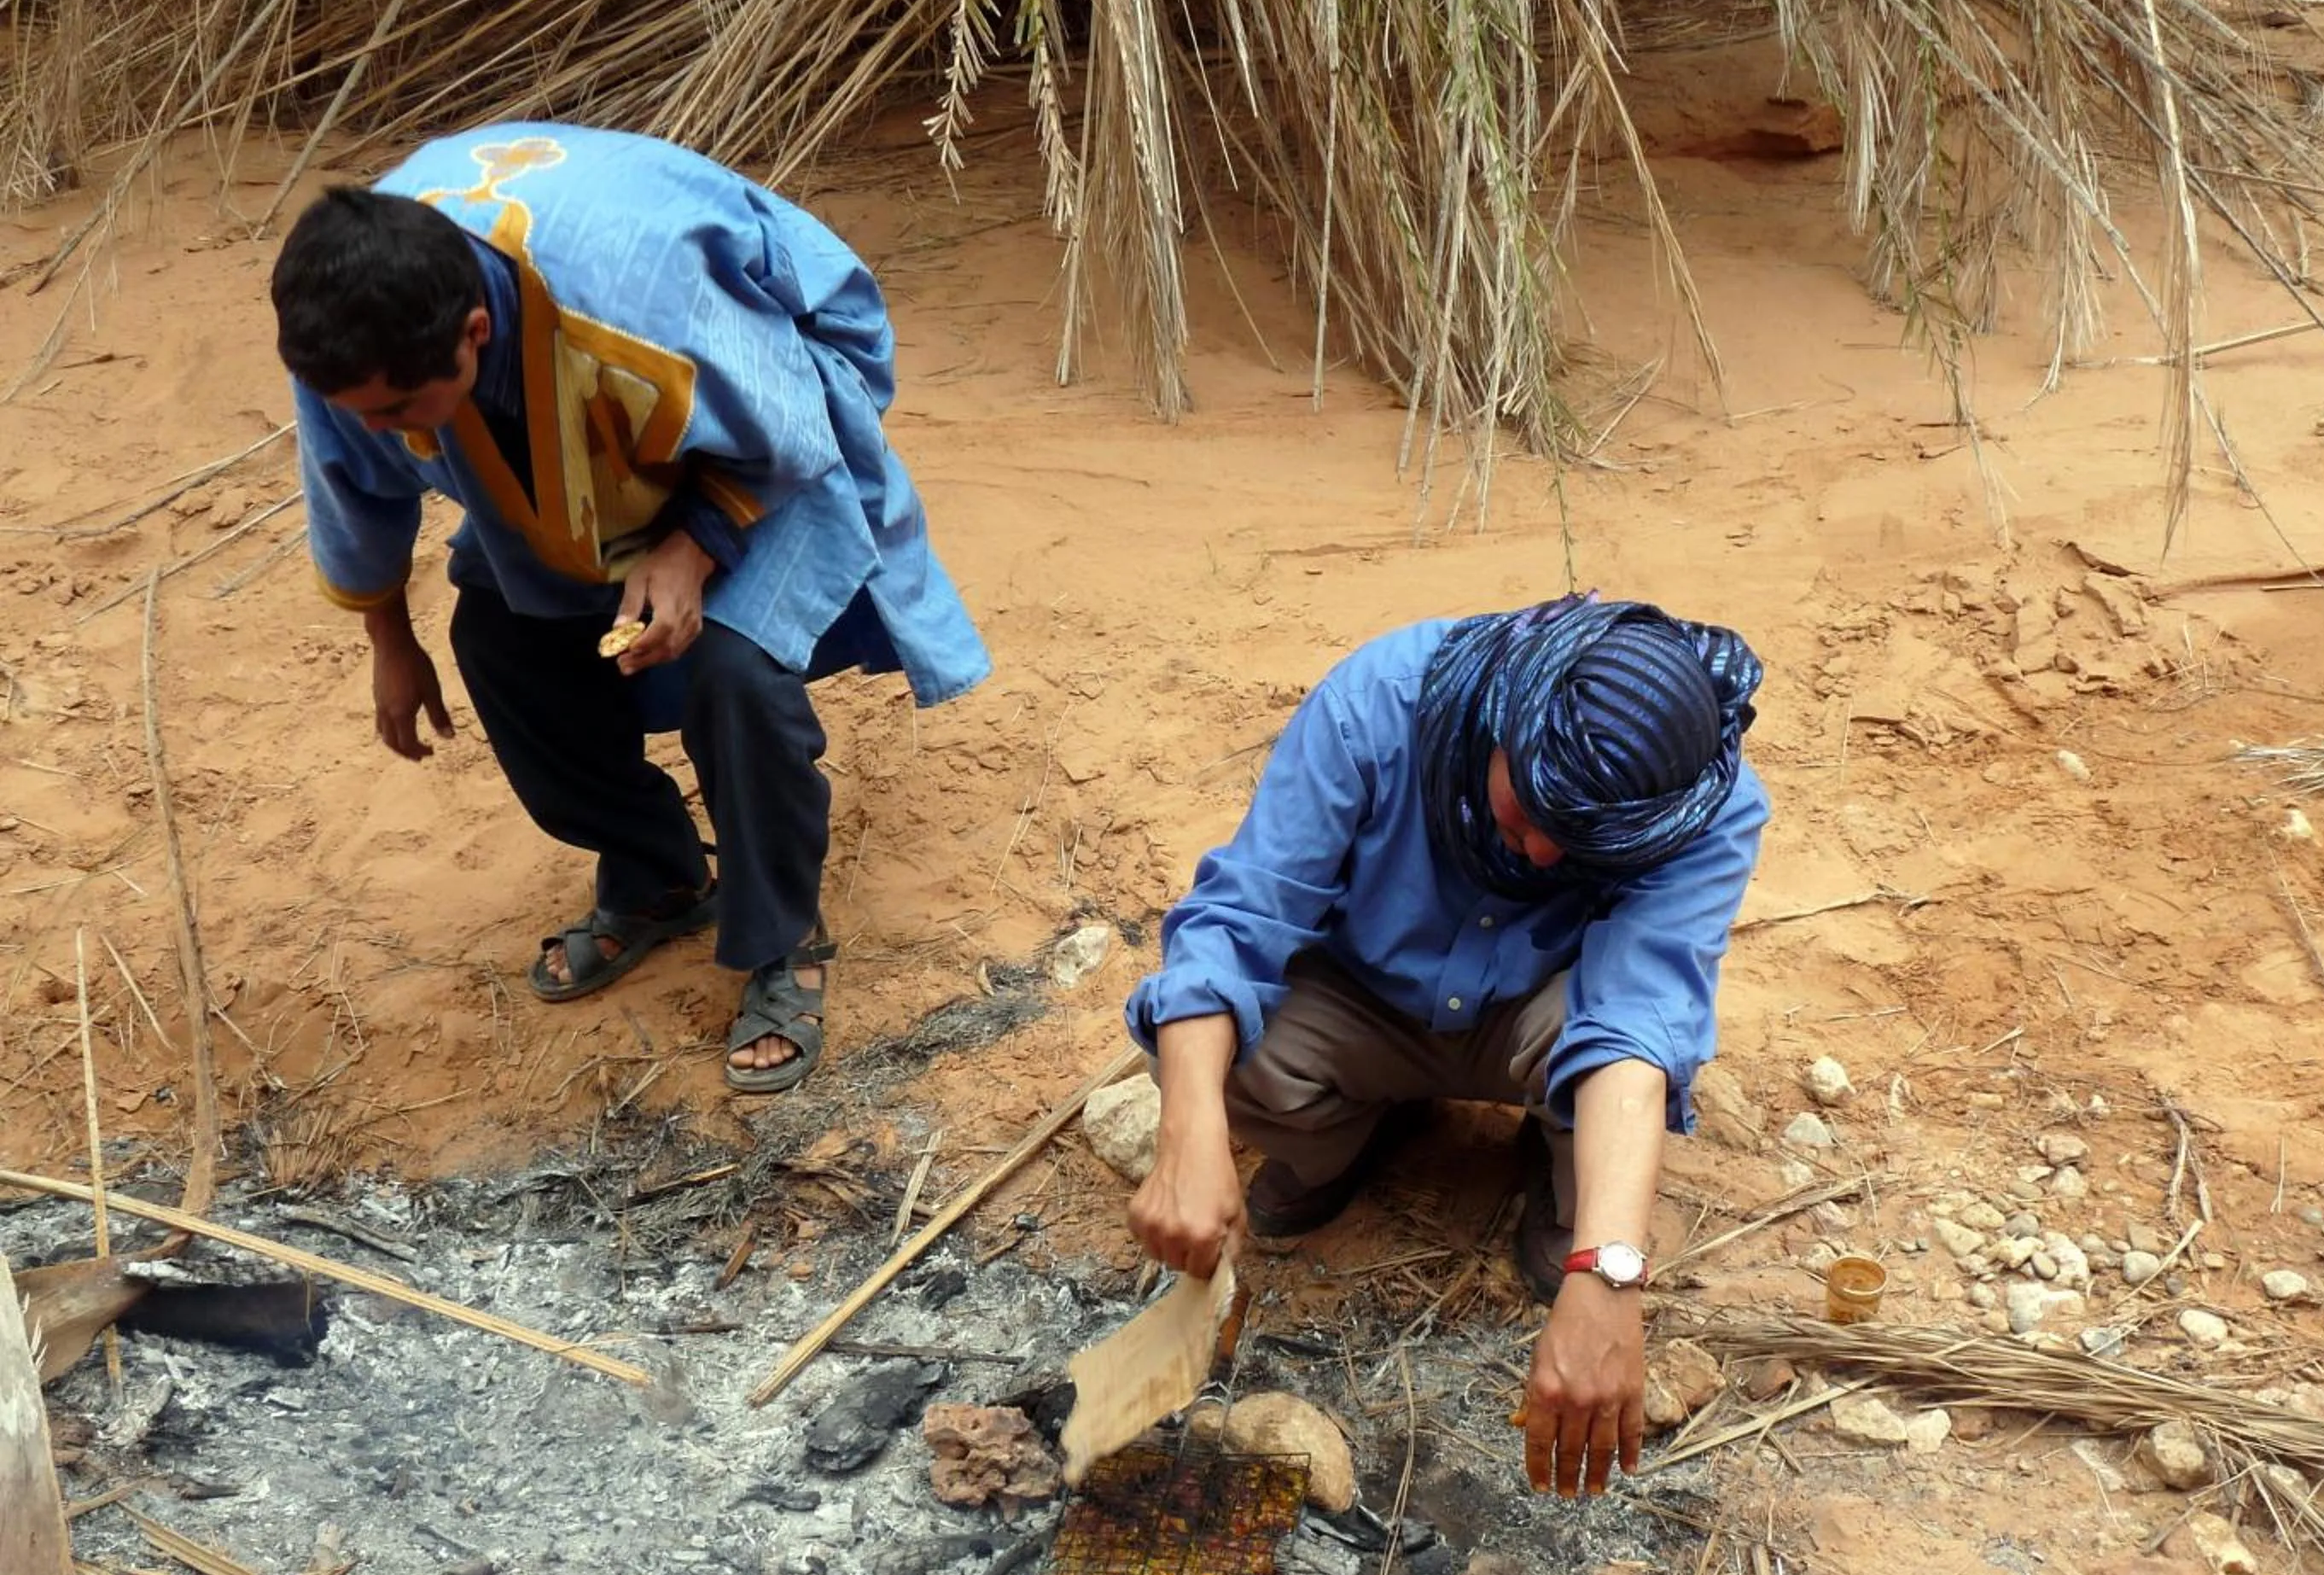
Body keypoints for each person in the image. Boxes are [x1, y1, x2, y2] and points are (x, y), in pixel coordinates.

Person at [271, 125, 991, 1093]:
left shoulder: (644, 305)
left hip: (762, 423)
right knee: (495, 638)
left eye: (397, 414)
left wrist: (693, 545)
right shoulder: (359, 335)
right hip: (571, 428)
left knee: (737, 670)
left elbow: (788, 421)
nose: (374, 432)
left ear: (472, 337)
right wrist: (388, 636)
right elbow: (353, 479)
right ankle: (660, 877)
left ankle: (784, 938)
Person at [1122, 595, 1768, 1498]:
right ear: (1503, 721)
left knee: (1627, 1079)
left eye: (1584, 847)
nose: (1541, 854)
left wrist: (1609, 1273)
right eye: (1532, 809)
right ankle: (1360, 1127)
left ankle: (1561, 1176)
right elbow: (1236, 924)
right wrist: (1187, 1133)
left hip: (1542, 1024)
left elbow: (1636, 1019)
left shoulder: (1700, 807)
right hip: (1365, 994)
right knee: (1208, 1054)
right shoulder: (1379, 705)